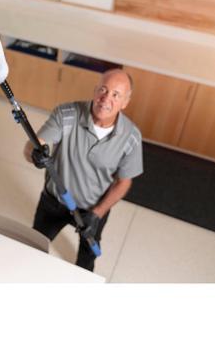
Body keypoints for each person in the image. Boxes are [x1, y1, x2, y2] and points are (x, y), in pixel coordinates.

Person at [24, 68, 143, 271]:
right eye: (103, 89)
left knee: (87, 259)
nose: (106, 98)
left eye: (116, 95)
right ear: (95, 90)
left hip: (92, 209)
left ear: (125, 102)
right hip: (54, 201)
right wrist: (34, 154)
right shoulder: (67, 114)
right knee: (33, 247)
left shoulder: (131, 137)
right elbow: (33, 145)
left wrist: (97, 214)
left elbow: (124, 182)